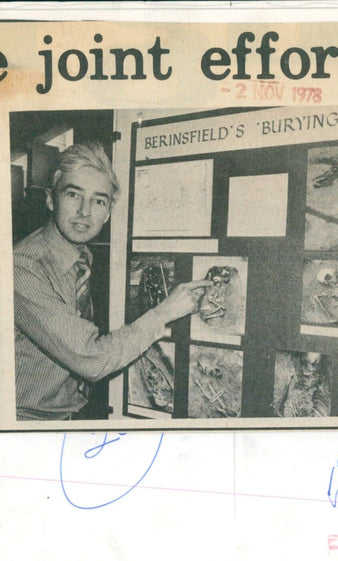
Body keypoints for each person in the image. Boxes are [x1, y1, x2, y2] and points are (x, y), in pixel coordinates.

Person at [14, 142, 210, 420]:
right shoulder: (24, 267)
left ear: (107, 213)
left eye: (98, 201)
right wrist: (164, 312)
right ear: (50, 199)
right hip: (25, 423)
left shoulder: (81, 256)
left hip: (68, 414)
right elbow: (90, 359)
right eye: (73, 194)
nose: (85, 211)